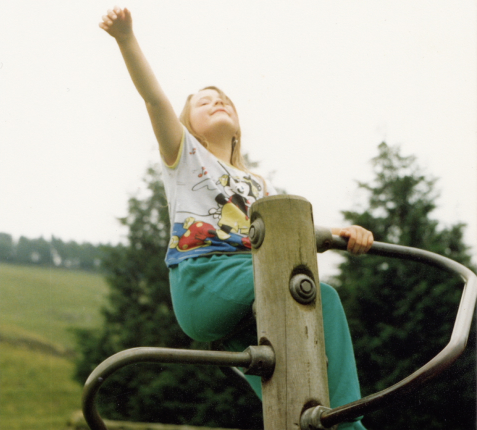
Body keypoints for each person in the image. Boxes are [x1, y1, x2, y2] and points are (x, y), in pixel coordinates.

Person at [100, 7, 373, 429]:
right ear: (188, 124)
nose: (217, 101)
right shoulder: (185, 158)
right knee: (296, 281)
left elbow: (281, 232)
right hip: (205, 281)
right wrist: (125, 38)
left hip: (251, 293)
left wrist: (338, 232)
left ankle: (321, 419)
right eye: (204, 102)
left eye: (223, 98)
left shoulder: (256, 183)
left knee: (316, 318)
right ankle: (350, 425)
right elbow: (155, 99)